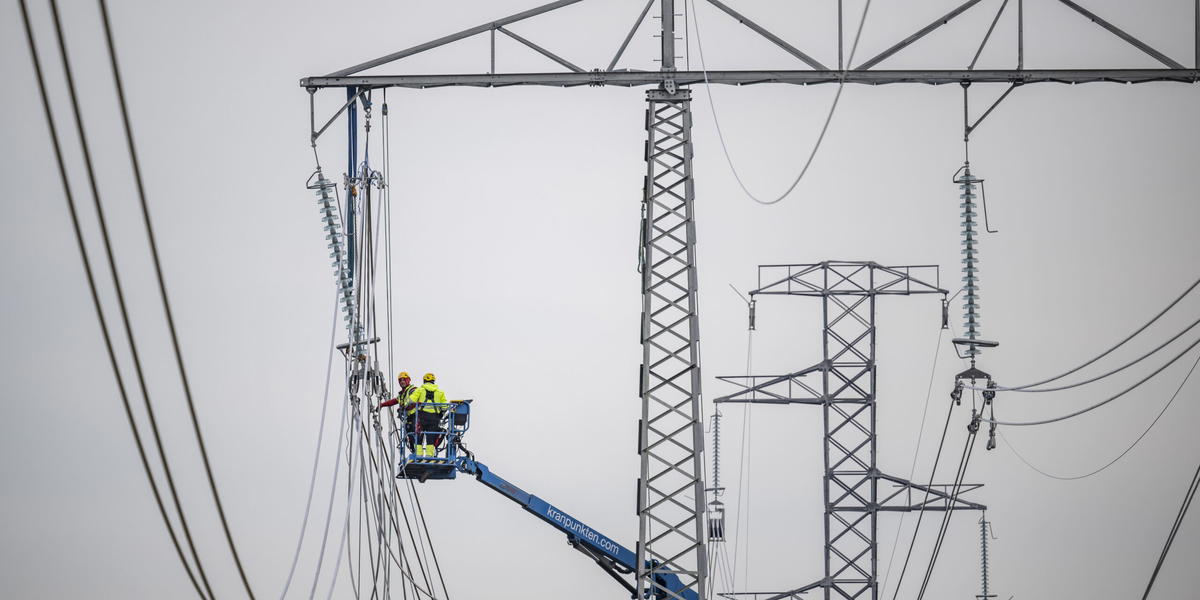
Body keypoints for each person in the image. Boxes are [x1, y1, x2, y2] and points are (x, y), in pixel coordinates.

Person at [406, 373, 448, 457]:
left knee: (418, 437)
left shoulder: (420, 390)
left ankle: (418, 456)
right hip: (434, 418)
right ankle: (429, 456)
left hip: (421, 417)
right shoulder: (440, 392)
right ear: (433, 381)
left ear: (424, 381)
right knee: (431, 438)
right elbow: (445, 407)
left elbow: (410, 401)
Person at [379, 372, 418, 451]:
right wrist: (382, 404)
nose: (402, 381)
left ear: (408, 380)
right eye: (400, 380)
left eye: (404, 379)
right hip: (409, 417)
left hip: (416, 415)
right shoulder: (402, 394)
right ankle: (414, 450)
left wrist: (404, 408)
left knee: (414, 433)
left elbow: (414, 403)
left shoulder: (413, 390)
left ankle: (416, 451)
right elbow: (393, 401)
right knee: (409, 432)